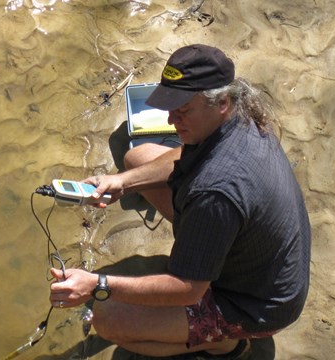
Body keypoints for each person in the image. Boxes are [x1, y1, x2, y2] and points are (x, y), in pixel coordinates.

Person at [49, 44, 311, 358]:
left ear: (222, 102)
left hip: (256, 305)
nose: (172, 120)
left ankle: (225, 344)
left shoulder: (214, 195)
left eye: (183, 110)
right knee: (138, 158)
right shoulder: (242, 115)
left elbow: (188, 289)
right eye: (170, 107)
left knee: (109, 318)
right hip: (253, 251)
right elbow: (184, 153)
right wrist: (121, 182)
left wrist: (98, 284)